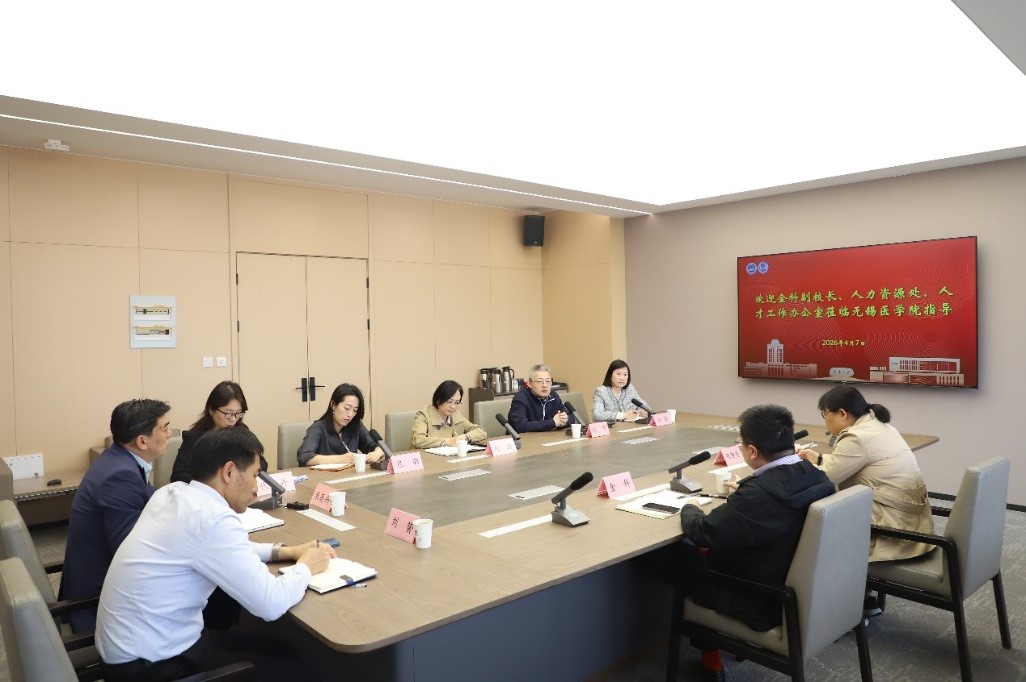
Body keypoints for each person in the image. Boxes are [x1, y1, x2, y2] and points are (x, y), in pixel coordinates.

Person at [95, 427, 335, 682]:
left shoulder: (172, 493)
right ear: (229, 472)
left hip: (131, 649)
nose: (257, 489)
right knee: (302, 669)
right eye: (255, 475)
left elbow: (220, 549)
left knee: (283, 650)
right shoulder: (213, 520)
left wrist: (284, 551)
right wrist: (306, 566)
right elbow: (271, 603)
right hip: (153, 666)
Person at [676, 404, 835, 680]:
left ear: (752, 451)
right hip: (796, 591)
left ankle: (708, 650)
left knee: (678, 557)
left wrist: (689, 507)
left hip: (759, 598)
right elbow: (775, 508)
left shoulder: (758, 496)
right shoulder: (816, 475)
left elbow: (703, 531)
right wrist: (746, 492)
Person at [797, 385, 935, 615]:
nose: (825, 421)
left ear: (842, 413)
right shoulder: (880, 426)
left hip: (891, 529)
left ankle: (844, 608)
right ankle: (864, 596)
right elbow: (846, 463)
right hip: (915, 523)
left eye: (825, 414)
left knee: (816, 520)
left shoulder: (856, 437)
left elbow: (825, 479)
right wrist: (818, 457)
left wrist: (795, 466)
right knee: (839, 508)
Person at [60, 399, 172, 633]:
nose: (169, 434)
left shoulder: (118, 458)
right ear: (142, 441)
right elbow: (130, 552)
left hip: (96, 577)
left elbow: (148, 495)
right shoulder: (119, 476)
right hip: (100, 601)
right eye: (164, 428)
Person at [171, 381, 267, 484]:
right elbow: (179, 476)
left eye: (238, 413)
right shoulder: (195, 437)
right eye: (228, 413)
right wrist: (216, 482)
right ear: (211, 410)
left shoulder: (241, 431)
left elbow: (261, 463)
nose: (233, 419)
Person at [297, 383, 384, 467]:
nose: (350, 414)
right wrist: (340, 459)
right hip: (323, 476)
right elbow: (304, 456)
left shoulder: (356, 426)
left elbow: (371, 445)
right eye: (347, 408)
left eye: (355, 410)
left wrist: (378, 452)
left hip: (349, 476)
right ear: (333, 405)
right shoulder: (317, 429)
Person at [411, 380, 487, 449]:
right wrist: (447, 441)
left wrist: (465, 437)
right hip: (428, 458)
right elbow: (418, 440)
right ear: (438, 400)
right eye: (449, 402)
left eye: (457, 403)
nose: (453, 407)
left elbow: (481, 432)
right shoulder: (424, 415)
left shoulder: (455, 415)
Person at [507, 364, 578, 433]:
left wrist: (564, 420)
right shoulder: (521, 399)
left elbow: (571, 418)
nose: (545, 385)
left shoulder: (553, 396)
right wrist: (553, 422)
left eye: (548, 381)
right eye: (540, 381)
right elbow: (521, 426)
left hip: (548, 438)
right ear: (529, 384)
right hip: (524, 439)